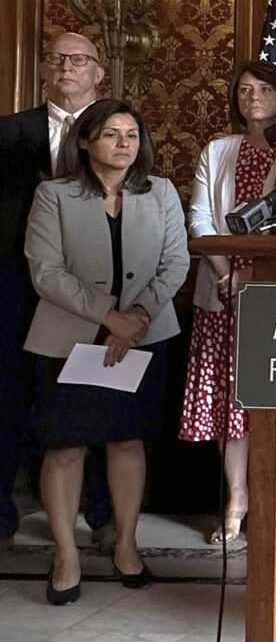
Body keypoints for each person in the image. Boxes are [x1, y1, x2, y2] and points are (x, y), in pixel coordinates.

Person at [24, 100, 190, 604]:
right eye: (111, 134)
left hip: (143, 336)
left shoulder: (160, 192)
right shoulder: (53, 194)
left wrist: (135, 318)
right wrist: (108, 316)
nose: (124, 143)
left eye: (132, 134)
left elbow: (176, 260)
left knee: (126, 441)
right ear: (84, 141)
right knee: (67, 446)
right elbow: (45, 271)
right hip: (68, 337)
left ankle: (126, 545)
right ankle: (67, 555)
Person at [0, 32, 114, 549]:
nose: (66, 66)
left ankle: (101, 511)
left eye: (79, 59)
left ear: (99, 73)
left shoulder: (121, 131)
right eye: (57, 58)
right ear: (45, 70)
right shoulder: (8, 133)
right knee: (7, 398)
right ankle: (3, 514)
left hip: (98, 294)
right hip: (17, 292)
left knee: (94, 401)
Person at [179, 61, 276, 544]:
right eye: (245, 90)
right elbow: (201, 217)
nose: (252, 97)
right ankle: (235, 501)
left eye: (264, 88)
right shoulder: (219, 150)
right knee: (230, 403)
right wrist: (228, 275)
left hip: (275, 293)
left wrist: (252, 276)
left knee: (275, 398)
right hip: (220, 292)